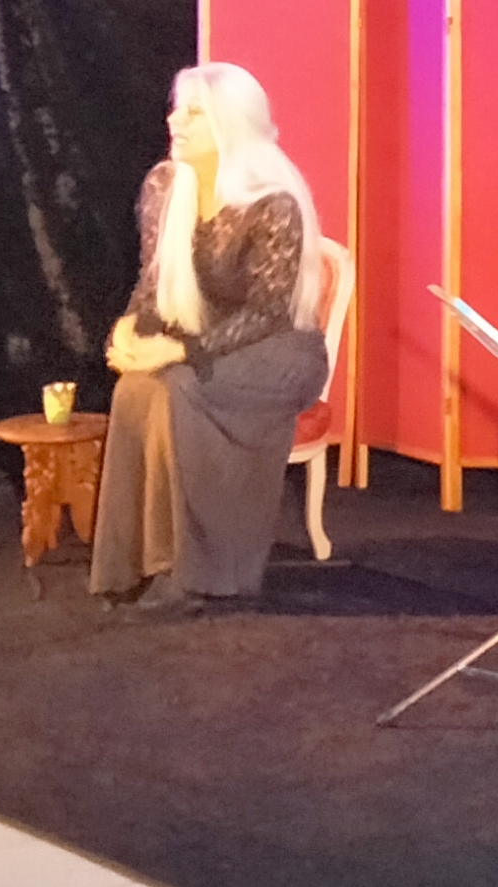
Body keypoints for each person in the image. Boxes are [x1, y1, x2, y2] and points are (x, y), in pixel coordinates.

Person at [90, 62, 331, 615]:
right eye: (178, 108)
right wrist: (128, 329)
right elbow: (152, 282)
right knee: (134, 390)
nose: (175, 120)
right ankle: (140, 561)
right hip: (207, 339)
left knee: (181, 387)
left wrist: (179, 350)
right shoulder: (164, 185)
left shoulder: (273, 202)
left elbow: (267, 312)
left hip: (278, 351)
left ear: (231, 123)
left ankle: (201, 572)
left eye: (194, 112)